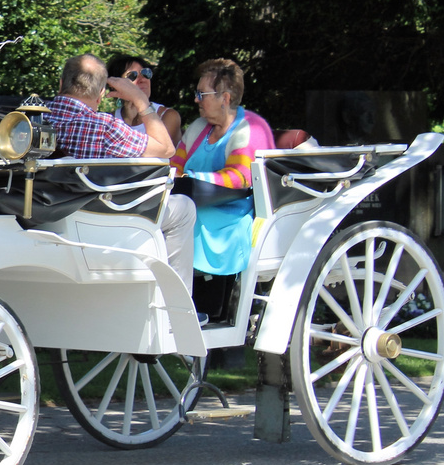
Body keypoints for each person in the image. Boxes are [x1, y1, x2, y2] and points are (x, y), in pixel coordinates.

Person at [44, 54, 196, 288]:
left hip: (45, 216)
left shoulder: (31, 118)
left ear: (61, 83)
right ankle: (175, 305)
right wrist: (141, 102)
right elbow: (166, 149)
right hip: (97, 222)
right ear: (102, 93)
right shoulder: (106, 127)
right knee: (184, 208)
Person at [172, 58, 275, 279]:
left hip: (231, 220)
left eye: (202, 94)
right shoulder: (198, 128)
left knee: (177, 221)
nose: (196, 99)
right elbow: (174, 167)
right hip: (195, 205)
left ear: (224, 99)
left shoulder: (250, 128)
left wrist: (189, 179)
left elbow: (239, 178)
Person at [106, 52, 182, 147]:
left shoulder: (168, 116)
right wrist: (127, 121)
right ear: (115, 86)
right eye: (132, 75)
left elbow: (156, 152)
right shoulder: (109, 121)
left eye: (145, 73)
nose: (142, 79)